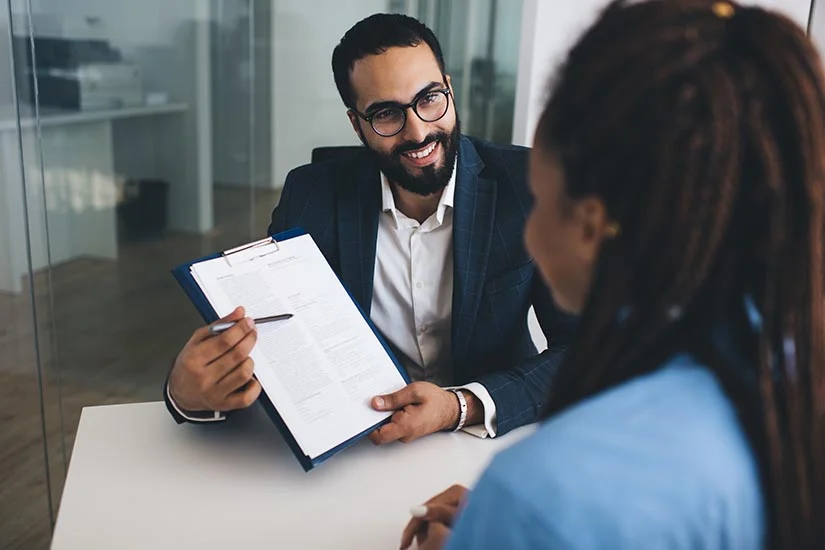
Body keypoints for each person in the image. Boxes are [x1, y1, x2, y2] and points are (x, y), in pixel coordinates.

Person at [400, 0, 825, 548]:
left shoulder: (542, 497)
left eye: (542, 198)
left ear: (591, 222)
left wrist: (507, 529)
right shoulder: (790, 364)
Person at [163, 14, 577, 443]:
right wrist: (187, 394)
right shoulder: (309, 197)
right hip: (357, 442)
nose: (418, 131)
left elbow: (584, 351)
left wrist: (459, 406)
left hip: (484, 435)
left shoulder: (530, 186)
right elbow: (270, 352)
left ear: (449, 90)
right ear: (356, 123)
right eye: (385, 114)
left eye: (430, 99)